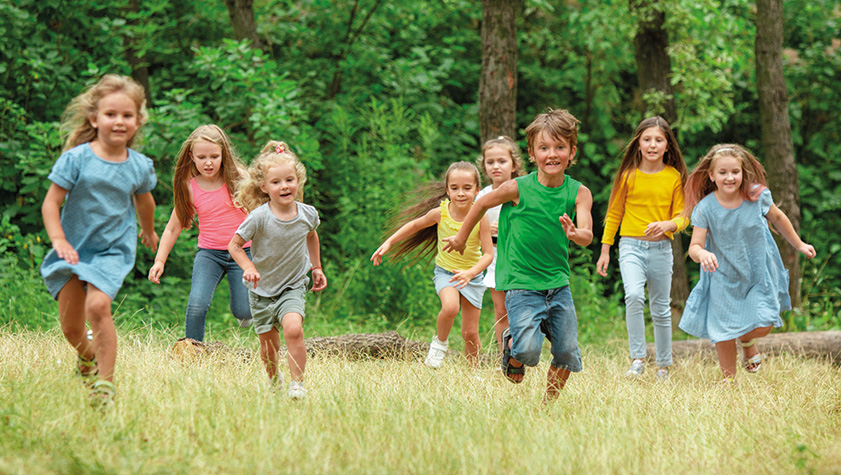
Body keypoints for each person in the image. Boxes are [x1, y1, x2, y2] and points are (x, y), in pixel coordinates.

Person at [443, 109, 593, 402]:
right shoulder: (517, 188)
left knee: (566, 352)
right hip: (521, 284)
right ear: (532, 152)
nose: (552, 154)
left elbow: (587, 235)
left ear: (572, 151)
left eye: (560, 147)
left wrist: (576, 234)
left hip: (558, 284)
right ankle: (512, 345)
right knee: (528, 351)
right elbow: (482, 202)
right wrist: (461, 237)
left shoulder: (578, 192)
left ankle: (547, 405)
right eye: (544, 148)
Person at [40, 74, 158, 406]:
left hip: (112, 249)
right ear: (94, 118)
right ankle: (87, 355)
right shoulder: (76, 159)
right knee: (71, 330)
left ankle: (105, 385)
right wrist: (58, 240)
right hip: (72, 249)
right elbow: (51, 203)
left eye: (127, 115)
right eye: (110, 114)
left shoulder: (139, 166)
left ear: (137, 121)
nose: (118, 121)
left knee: (98, 306)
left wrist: (148, 231)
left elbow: (145, 201)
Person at [679, 144, 816, 382]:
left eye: (735, 172)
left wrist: (799, 244)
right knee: (723, 330)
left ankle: (747, 340)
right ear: (711, 175)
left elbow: (778, 217)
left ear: (743, 173)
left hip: (757, 271)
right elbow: (694, 247)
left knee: (764, 321)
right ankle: (728, 380)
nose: (730, 177)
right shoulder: (705, 208)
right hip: (722, 274)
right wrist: (702, 255)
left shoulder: (757, 196)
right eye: (722, 172)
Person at [371, 162, 494, 369]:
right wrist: (389, 242)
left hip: (472, 277)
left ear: (477, 190)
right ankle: (439, 344)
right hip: (446, 273)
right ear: (447, 190)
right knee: (450, 307)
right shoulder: (440, 213)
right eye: (454, 188)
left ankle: (473, 372)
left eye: (467, 188)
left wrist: (471, 273)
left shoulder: (481, 218)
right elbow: (415, 225)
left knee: (470, 333)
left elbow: (488, 255)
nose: (461, 193)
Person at [229, 141, 326, 399]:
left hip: (292, 285)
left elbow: (312, 236)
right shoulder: (259, 217)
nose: (284, 186)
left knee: (293, 328)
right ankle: (274, 379)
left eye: (290, 180)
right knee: (268, 347)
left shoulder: (307, 214)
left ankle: (297, 384)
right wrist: (248, 267)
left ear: (298, 181)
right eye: (276, 182)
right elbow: (235, 246)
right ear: (264, 187)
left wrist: (316, 267)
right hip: (261, 290)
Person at [596, 117, 688, 380]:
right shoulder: (627, 176)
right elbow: (614, 214)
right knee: (634, 296)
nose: (652, 145)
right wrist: (605, 250)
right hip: (630, 247)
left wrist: (668, 224)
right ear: (638, 144)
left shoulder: (674, 177)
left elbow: (684, 216)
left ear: (668, 146)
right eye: (647, 139)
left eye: (659, 140)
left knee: (660, 307)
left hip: (661, 249)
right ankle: (637, 358)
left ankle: (663, 366)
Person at [148, 125, 252, 341]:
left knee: (243, 311)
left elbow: (261, 211)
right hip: (209, 254)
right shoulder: (190, 187)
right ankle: (192, 351)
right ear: (191, 157)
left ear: (224, 154)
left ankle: (247, 313)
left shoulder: (238, 178)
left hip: (243, 252)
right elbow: (173, 227)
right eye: (202, 157)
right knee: (197, 305)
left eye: (214, 156)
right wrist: (159, 261)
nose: (208, 162)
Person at [475, 136, 524, 353]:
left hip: (522, 260)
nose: (496, 167)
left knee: (522, 310)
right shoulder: (481, 196)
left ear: (514, 165)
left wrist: (507, 229)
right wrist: (486, 232)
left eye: (502, 161)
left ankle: (523, 352)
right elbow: (469, 231)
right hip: (494, 259)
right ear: (484, 165)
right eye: (490, 162)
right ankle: (505, 356)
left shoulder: (523, 192)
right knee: (500, 311)